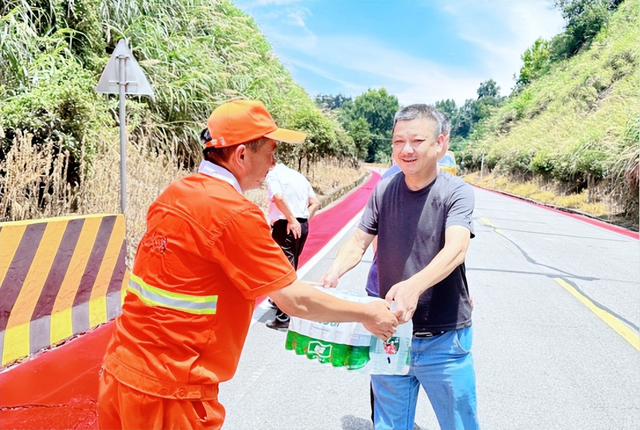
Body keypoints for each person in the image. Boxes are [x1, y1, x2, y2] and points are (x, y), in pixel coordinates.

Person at [97, 99, 398, 430]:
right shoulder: (235, 213)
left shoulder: (175, 193)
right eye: (270, 151)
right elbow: (292, 300)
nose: (273, 163)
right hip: (172, 393)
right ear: (241, 155)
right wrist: (367, 313)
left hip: (120, 372)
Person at [321, 104, 478, 430]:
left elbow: (457, 247)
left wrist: (413, 286)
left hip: (444, 341)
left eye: (417, 140)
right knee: (389, 425)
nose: (406, 150)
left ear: (441, 144)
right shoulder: (383, 191)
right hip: (390, 334)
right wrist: (335, 270)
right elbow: (358, 242)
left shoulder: (456, 193)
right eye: (398, 141)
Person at [264, 162, 320, 330]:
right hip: (301, 224)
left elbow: (278, 197)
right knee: (290, 266)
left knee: (282, 271)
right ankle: (278, 301)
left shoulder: (273, 175)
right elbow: (315, 202)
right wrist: (301, 221)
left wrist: (291, 220)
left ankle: (284, 317)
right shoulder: (298, 176)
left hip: (285, 225)